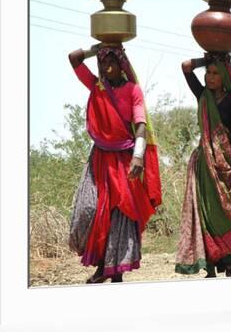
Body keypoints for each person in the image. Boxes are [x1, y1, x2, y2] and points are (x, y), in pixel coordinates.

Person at [67, 44, 162, 283]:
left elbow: (140, 124)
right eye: (102, 63)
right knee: (91, 209)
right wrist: (99, 47)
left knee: (120, 213)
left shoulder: (133, 90)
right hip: (99, 158)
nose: (106, 68)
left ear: (122, 64)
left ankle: (112, 270)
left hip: (124, 159)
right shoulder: (97, 87)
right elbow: (74, 58)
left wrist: (139, 156)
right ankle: (102, 265)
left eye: (111, 62)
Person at [175, 53, 231, 278]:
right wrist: (208, 58)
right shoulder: (202, 95)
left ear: (224, 77)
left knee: (228, 212)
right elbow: (185, 66)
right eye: (208, 73)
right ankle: (210, 264)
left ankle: (230, 258)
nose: (210, 78)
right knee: (207, 212)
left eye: (215, 74)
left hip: (228, 162)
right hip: (205, 163)